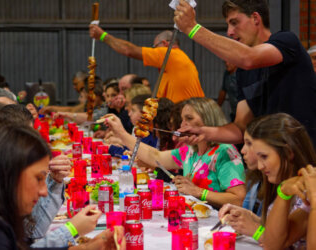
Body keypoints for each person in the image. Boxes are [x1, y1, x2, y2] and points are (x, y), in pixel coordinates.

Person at [174, 0, 316, 147]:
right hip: (272, 160)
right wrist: (204, 132)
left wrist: (193, 28)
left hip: (305, 157)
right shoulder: (243, 72)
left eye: (234, 22)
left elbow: (249, 58)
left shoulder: (286, 41)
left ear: (255, 18)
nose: (229, 32)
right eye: (228, 25)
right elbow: (241, 128)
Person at [0, 126, 122, 250]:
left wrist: (86, 248)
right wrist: (72, 229)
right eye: (39, 178)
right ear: (9, 174)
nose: (43, 191)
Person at [103, 97, 246, 208]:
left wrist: (198, 192)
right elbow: (154, 156)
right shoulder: (190, 151)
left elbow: (238, 199)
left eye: (189, 118)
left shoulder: (225, 151)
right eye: (182, 119)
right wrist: (121, 133)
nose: (182, 124)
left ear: (208, 119)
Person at [219, 113, 315, 248]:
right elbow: (274, 241)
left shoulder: (309, 190)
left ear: (288, 153)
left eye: (264, 156)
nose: (260, 166)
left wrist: (256, 229)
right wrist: (282, 193)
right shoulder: (291, 186)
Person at [89, 25, 205, 103]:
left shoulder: (169, 54)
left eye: (154, 47)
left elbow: (128, 50)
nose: (154, 51)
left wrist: (103, 36)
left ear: (164, 43)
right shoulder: (180, 61)